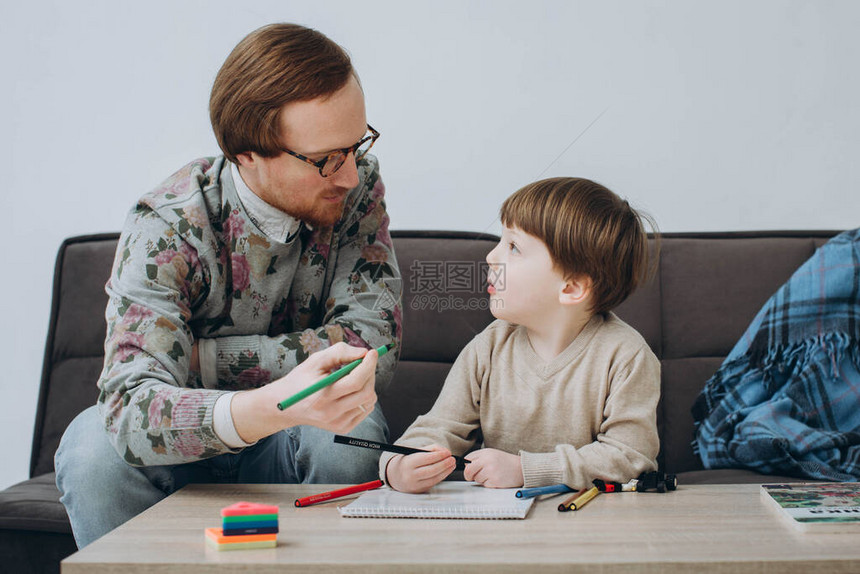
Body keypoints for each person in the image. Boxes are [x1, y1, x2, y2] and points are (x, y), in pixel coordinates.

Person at [55, 23, 401, 547]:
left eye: (357, 145)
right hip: (181, 454)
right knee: (91, 450)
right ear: (246, 153)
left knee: (348, 432)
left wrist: (206, 360)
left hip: (293, 442)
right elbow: (131, 410)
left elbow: (372, 346)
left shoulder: (354, 190)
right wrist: (271, 401)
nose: (350, 174)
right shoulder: (165, 226)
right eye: (327, 158)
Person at [381, 177, 658, 492]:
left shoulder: (626, 355)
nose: (491, 257)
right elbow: (437, 429)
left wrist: (525, 469)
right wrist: (398, 466)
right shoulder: (489, 346)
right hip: (502, 526)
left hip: (590, 525)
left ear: (571, 288)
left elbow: (630, 455)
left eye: (513, 247)